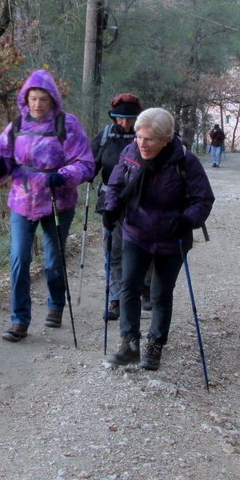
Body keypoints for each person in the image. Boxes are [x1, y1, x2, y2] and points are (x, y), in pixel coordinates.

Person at [0, 69, 94, 342]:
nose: (37, 104)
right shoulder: (17, 125)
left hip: (58, 200)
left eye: (43, 99)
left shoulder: (66, 125)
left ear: (53, 100)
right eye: (33, 98)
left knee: (53, 260)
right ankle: (19, 321)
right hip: (22, 201)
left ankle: (56, 303)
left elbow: (85, 163)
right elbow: (0, 153)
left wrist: (63, 176)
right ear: (26, 98)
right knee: (19, 258)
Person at [103, 108, 215, 370]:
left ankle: (155, 345)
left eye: (149, 139)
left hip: (171, 237)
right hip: (135, 231)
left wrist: (188, 220)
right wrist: (110, 207)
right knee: (129, 285)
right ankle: (130, 343)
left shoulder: (185, 162)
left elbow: (203, 200)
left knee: (160, 293)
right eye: (139, 137)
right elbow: (116, 184)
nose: (142, 143)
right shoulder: (131, 152)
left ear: (166, 139)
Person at [91, 92, 143, 321]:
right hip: (110, 201)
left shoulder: (147, 134)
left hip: (142, 202)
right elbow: (90, 164)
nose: (124, 123)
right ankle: (116, 299)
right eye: (119, 118)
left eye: (129, 118)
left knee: (141, 249)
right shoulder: (105, 136)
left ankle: (142, 289)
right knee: (113, 251)